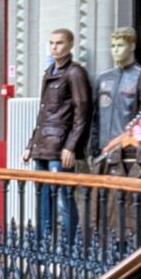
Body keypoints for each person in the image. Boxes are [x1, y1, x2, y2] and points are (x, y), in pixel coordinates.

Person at [25, 29, 92, 240]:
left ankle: (70, 243)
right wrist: (30, 144)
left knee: (64, 196)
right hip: (43, 145)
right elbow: (43, 113)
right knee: (43, 195)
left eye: (60, 43)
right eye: (52, 43)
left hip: (61, 147)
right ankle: (44, 240)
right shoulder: (49, 72)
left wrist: (71, 146)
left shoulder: (75, 72)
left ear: (70, 44)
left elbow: (83, 112)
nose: (55, 47)